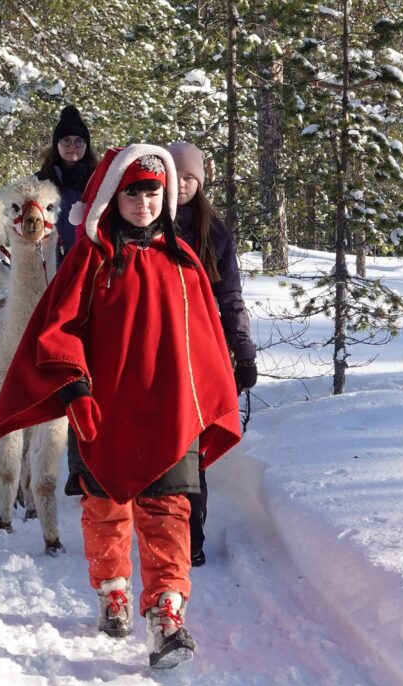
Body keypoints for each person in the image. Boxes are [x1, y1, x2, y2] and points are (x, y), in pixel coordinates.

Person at [0, 144, 242, 670]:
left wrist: (210, 396)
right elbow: (59, 329)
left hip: (169, 414)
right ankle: (113, 590)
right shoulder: (90, 259)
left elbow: (204, 341)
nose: (144, 204)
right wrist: (75, 388)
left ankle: (167, 614)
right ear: (112, 197)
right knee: (106, 507)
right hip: (102, 408)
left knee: (169, 510)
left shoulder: (183, 261)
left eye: (153, 194)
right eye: (133, 194)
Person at [166, 141, 258, 568]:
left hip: (200, 355)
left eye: (191, 177)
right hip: (156, 351)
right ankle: (159, 528)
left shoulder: (214, 233)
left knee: (191, 449)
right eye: (177, 176)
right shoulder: (147, 224)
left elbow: (230, 297)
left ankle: (192, 537)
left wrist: (244, 353)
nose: (184, 184)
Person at [35, 106, 97, 265]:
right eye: (66, 140)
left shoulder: (98, 179)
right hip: (51, 260)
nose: (73, 146)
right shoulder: (40, 181)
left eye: (79, 141)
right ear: (57, 143)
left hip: (89, 259)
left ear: (86, 145)